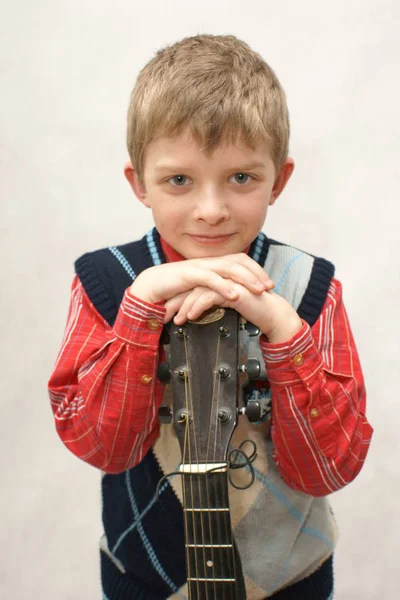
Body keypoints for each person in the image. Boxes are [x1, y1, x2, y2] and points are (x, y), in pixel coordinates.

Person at [48, 34, 373, 600]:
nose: (211, 210)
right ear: (138, 184)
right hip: (148, 579)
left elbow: (328, 470)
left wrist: (283, 331)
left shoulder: (310, 288)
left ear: (280, 178)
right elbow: (105, 448)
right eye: (179, 180)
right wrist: (141, 311)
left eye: (241, 178)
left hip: (288, 581)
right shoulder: (107, 284)